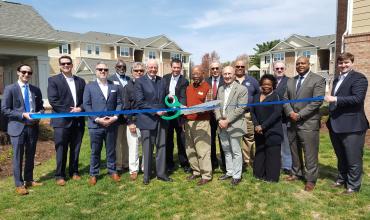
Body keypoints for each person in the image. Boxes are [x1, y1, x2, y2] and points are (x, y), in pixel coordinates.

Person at [325, 52, 369, 194]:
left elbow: (357, 99)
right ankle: (341, 179)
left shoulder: (359, 78)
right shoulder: (338, 79)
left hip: (352, 126)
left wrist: (334, 99)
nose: (343, 65)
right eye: (340, 63)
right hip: (336, 124)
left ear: (352, 62)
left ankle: (353, 186)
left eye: (346, 63)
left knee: (353, 157)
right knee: (341, 155)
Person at [283, 56, 325, 191]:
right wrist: (290, 113)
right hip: (292, 122)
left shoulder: (318, 80)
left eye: (303, 63)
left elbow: (317, 101)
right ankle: (296, 173)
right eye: (298, 63)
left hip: (308, 123)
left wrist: (300, 114)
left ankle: (310, 179)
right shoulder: (291, 81)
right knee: (294, 150)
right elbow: (285, 99)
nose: (300, 65)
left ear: (309, 64)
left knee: (310, 153)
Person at [1, 64, 44, 195]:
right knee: (18, 156)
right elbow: (5, 110)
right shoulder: (10, 89)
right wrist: (22, 114)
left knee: (30, 155)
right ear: (18, 72)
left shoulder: (36, 90)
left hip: (32, 127)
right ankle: (19, 184)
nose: (26, 74)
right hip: (17, 127)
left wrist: (40, 114)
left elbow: (41, 106)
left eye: (29, 73)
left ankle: (29, 180)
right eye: (24, 72)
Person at [47, 55, 86, 186]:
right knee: (61, 149)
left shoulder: (80, 81)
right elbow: (53, 101)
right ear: (59, 66)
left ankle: (74, 172)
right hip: (61, 121)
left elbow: (85, 100)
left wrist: (80, 108)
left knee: (76, 148)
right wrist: (70, 111)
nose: (66, 65)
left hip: (78, 121)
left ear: (72, 64)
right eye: (63, 64)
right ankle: (60, 175)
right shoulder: (53, 80)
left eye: (68, 63)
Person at [83, 62, 122, 185]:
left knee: (111, 150)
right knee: (95, 151)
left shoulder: (114, 86)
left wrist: (115, 117)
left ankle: (112, 171)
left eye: (105, 69)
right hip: (96, 125)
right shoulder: (89, 86)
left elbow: (119, 103)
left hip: (111, 124)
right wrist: (97, 119)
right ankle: (94, 174)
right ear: (96, 71)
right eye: (100, 69)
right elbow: (86, 105)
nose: (103, 71)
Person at [135, 59, 172, 185]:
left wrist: (171, 101)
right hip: (147, 120)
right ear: (146, 68)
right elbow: (140, 102)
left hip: (162, 121)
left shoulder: (162, 81)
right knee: (147, 148)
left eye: (155, 67)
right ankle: (147, 175)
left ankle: (161, 174)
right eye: (150, 67)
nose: (153, 69)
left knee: (161, 147)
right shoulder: (139, 81)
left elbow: (166, 98)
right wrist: (155, 111)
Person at [214, 66, 248, 185]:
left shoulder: (242, 89)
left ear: (234, 75)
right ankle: (229, 172)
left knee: (236, 151)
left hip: (234, 124)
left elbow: (241, 108)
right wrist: (219, 119)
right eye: (225, 74)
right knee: (226, 150)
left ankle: (237, 175)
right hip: (222, 125)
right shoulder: (220, 89)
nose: (227, 76)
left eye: (229, 74)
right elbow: (217, 106)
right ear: (222, 75)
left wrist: (227, 121)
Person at [251, 74, 283, 182]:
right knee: (260, 152)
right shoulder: (256, 97)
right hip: (258, 131)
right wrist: (256, 125)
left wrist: (263, 126)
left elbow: (276, 113)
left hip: (272, 130)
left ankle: (271, 177)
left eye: (269, 84)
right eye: (264, 84)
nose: (266, 86)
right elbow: (252, 112)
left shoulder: (277, 96)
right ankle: (258, 174)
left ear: (273, 85)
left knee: (272, 154)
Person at [184, 65, 213, 185]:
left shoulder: (208, 88)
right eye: (193, 73)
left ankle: (206, 175)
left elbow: (210, 106)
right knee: (190, 148)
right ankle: (196, 171)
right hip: (188, 122)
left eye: (197, 73)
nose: (195, 75)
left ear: (203, 74)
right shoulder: (189, 88)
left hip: (202, 122)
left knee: (203, 149)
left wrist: (198, 110)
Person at [163, 58, 191, 174]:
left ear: (181, 68)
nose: (176, 69)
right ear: (171, 67)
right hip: (168, 114)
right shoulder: (165, 78)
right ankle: (169, 163)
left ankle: (184, 163)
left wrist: (177, 102)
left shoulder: (185, 81)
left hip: (179, 115)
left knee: (181, 139)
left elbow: (184, 96)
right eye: (174, 67)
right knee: (168, 139)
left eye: (178, 67)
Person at [234, 59, 259, 170]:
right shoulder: (230, 80)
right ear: (235, 67)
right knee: (234, 137)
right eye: (238, 66)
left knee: (248, 138)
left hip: (248, 114)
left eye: (242, 67)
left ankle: (247, 160)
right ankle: (236, 160)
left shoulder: (252, 81)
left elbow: (258, 96)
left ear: (245, 68)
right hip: (233, 115)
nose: (240, 68)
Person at [123, 62, 145, 180]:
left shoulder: (147, 85)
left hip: (147, 121)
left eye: (141, 70)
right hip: (133, 121)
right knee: (134, 147)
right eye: (136, 71)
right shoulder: (127, 87)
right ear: (132, 72)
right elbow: (126, 107)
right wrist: (130, 122)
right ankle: (134, 169)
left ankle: (145, 167)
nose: (139, 73)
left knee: (146, 146)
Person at [108, 60, 130, 173]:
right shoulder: (110, 80)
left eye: (124, 66)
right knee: (117, 141)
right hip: (117, 116)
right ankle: (118, 164)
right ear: (115, 67)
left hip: (128, 116)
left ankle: (126, 163)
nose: (122, 68)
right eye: (119, 66)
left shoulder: (129, 79)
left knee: (126, 141)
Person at [206, 60, 225, 171]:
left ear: (220, 69)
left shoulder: (226, 80)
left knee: (223, 139)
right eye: (212, 69)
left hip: (222, 115)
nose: (215, 70)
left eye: (217, 68)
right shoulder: (206, 81)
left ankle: (224, 162)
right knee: (210, 139)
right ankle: (213, 162)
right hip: (210, 116)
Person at [273, 61, 292, 175]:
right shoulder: (270, 81)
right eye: (277, 68)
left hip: (284, 117)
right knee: (274, 141)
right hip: (271, 117)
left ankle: (287, 165)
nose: (279, 70)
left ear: (285, 69)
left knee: (285, 142)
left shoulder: (290, 81)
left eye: (281, 68)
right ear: (273, 69)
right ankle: (276, 163)